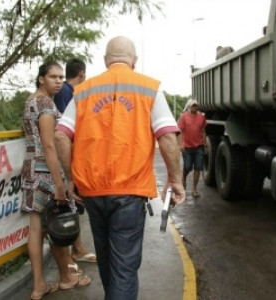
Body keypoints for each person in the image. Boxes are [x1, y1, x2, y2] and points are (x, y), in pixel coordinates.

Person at [54, 36, 186, 300]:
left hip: (92, 191)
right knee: (124, 267)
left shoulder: (84, 91)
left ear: (106, 61)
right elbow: (168, 136)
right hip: (129, 192)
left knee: (106, 260)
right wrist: (175, 179)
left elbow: (60, 135)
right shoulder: (148, 88)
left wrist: (71, 178)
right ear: (133, 62)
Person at [21, 61, 91, 300]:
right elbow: (50, 145)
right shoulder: (45, 104)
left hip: (31, 171)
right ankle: (68, 277)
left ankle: (39, 285)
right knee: (59, 226)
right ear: (41, 78)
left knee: (36, 230)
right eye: (53, 77)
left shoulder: (30, 101)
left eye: (62, 77)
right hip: (48, 174)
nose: (59, 81)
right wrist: (60, 185)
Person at [54, 58, 97, 269]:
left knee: (76, 205)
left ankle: (78, 249)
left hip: (74, 156)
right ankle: (71, 255)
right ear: (81, 74)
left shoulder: (67, 92)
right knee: (72, 204)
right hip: (70, 158)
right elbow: (64, 132)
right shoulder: (67, 92)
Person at [177, 99, 207, 198]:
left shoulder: (201, 117)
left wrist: (205, 143)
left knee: (198, 167)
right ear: (189, 106)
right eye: (193, 105)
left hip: (199, 146)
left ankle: (194, 189)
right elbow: (180, 131)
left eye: (196, 105)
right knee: (187, 167)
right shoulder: (184, 117)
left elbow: (203, 130)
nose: (195, 107)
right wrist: (181, 144)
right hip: (187, 147)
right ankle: (184, 178)